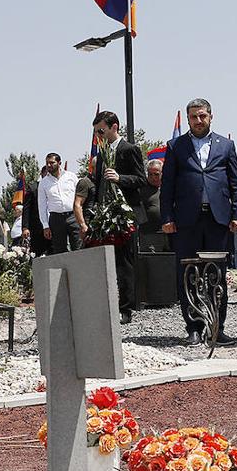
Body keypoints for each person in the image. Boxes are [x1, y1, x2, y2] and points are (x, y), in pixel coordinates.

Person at [160, 99, 237, 345]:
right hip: (187, 221)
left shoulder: (226, 145)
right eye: (194, 117)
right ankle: (194, 328)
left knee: (216, 273)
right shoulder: (176, 146)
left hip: (218, 220)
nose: (199, 121)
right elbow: (167, 186)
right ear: (188, 119)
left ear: (211, 116)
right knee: (188, 274)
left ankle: (217, 327)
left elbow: (235, 183)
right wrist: (167, 217)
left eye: (203, 116)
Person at [90, 109, 146, 324]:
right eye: (96, 132)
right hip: (105, 214)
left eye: (101, 131)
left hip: (126, 214)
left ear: (114, 127)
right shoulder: (101, 154)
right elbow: (97, 184)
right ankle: (107, 304)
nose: (99, 136)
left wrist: (120, 178)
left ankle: (125, 309)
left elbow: (141, 179)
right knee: (106, 261)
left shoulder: (129, 149)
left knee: (124, 263)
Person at [37, 152, 80, 255]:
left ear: (59, 163)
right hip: (56, 219)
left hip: (73, 216)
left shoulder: (71, 177)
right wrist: (45, 226)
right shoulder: (43, 183)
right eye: (47, 163)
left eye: (52, 163)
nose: (48, 165)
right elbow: (42, 205)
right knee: (59, 250)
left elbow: (80, 196)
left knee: (78, 247)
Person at [136, 159, 167, 252]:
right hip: (149, 236)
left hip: (168, 235)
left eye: (156, 174)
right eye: (150, 174)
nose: (153, 177)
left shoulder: (169, 187)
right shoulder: (141, 189)